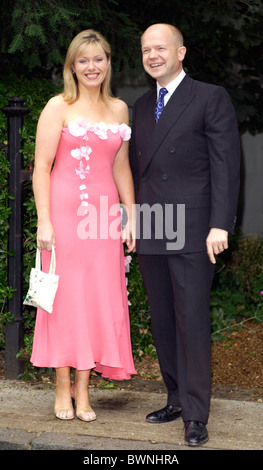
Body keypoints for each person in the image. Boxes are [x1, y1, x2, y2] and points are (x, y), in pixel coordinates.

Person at [129, 23, 240, 446]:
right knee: (163, 321)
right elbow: (139, 172)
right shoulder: (140, 105)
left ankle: (195, 414)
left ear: (180, 52)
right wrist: (133, 220)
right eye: (145, 50)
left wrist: (220, 224)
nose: (152, 55)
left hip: (194, 227)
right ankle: (175, 397)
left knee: (191, 319)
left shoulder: (209, 97)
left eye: (160, 48)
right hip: (154, 225)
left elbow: (226, 165)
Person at [30, 29, 136, 422]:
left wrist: (131, 214)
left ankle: (84, 390)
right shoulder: (57, 106)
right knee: (64, 301)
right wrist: (44, 220)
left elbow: (121, 166)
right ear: (72, 66)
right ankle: (62, 387)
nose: (91, 67)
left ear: (108, 62)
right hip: (62, 218)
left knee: (96, 298)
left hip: (104, 221)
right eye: (83, 60)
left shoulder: (120, 109)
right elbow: (41, 167)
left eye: (98, 59)